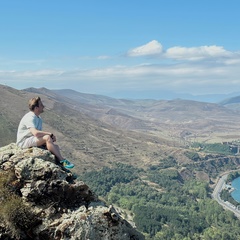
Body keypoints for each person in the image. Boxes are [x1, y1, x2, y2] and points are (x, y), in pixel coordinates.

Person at [16, 96, 74, 169]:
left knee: (55, 147)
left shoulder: (38, 118)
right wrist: (49, 134)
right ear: (36, 108)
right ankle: (62, 160)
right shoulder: (30, 117)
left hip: (31, 139)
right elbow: (36, 133)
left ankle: (60, 165)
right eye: (41, 105)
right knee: (47, 138)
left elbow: (37, 135)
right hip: (23, 142)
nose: (43, 106)